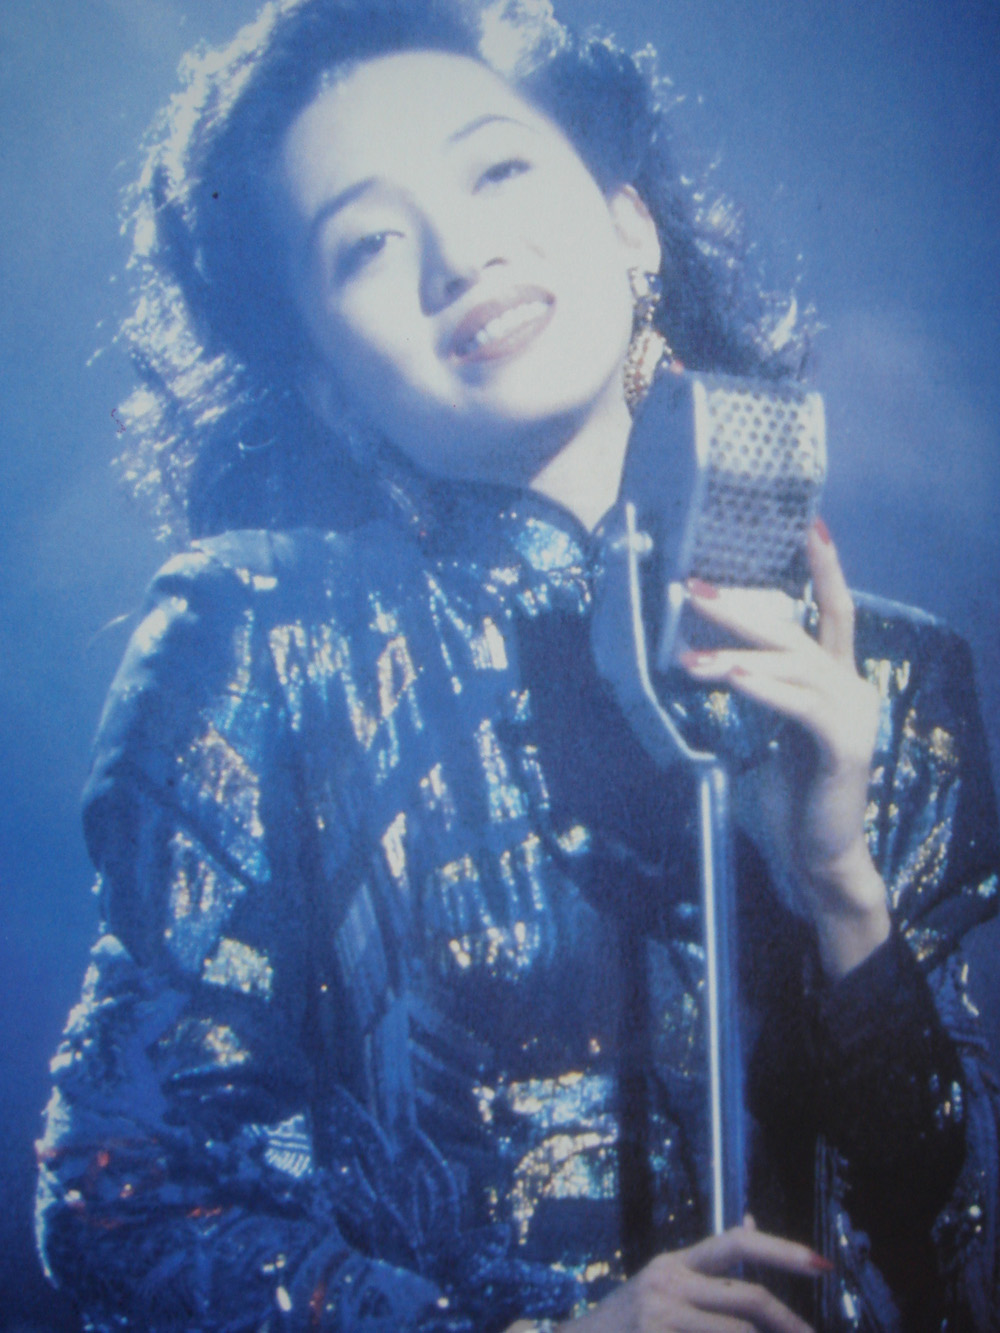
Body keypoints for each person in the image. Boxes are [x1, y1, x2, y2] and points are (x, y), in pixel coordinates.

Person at [34, 1, 1000, 1329]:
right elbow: (125, 1194)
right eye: (369, 241)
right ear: (327, 385)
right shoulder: (259, 635)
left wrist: (840, 891)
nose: (458, 254)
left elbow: (964, 1248)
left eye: (494, 169)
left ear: (628, 223)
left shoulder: (891, 677)